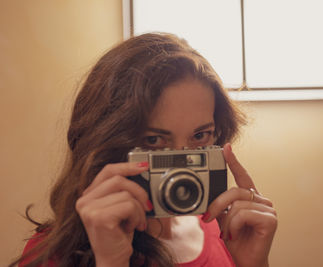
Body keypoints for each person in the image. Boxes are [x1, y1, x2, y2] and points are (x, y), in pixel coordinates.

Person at [11, 32, 277, 267]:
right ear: (108, 141)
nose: (180, 162)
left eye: (200, 135)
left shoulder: (224, 230)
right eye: (154, 141)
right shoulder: (54, 253)